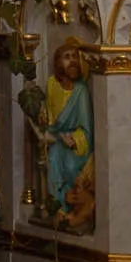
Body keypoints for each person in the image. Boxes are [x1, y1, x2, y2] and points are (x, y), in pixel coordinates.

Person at [38, 37, 94, 233]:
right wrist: (44, 119)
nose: (72, 61)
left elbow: (87, 128)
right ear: (58, 62)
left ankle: (73, 207)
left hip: (76, 145)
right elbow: (50, 116)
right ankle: (58, 207)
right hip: (56, 139)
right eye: (67, 57)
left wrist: (75, 140)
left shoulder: (81, 91)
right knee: (53, 157)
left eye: (75, 57)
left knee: (70, 165)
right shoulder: (51, 84)